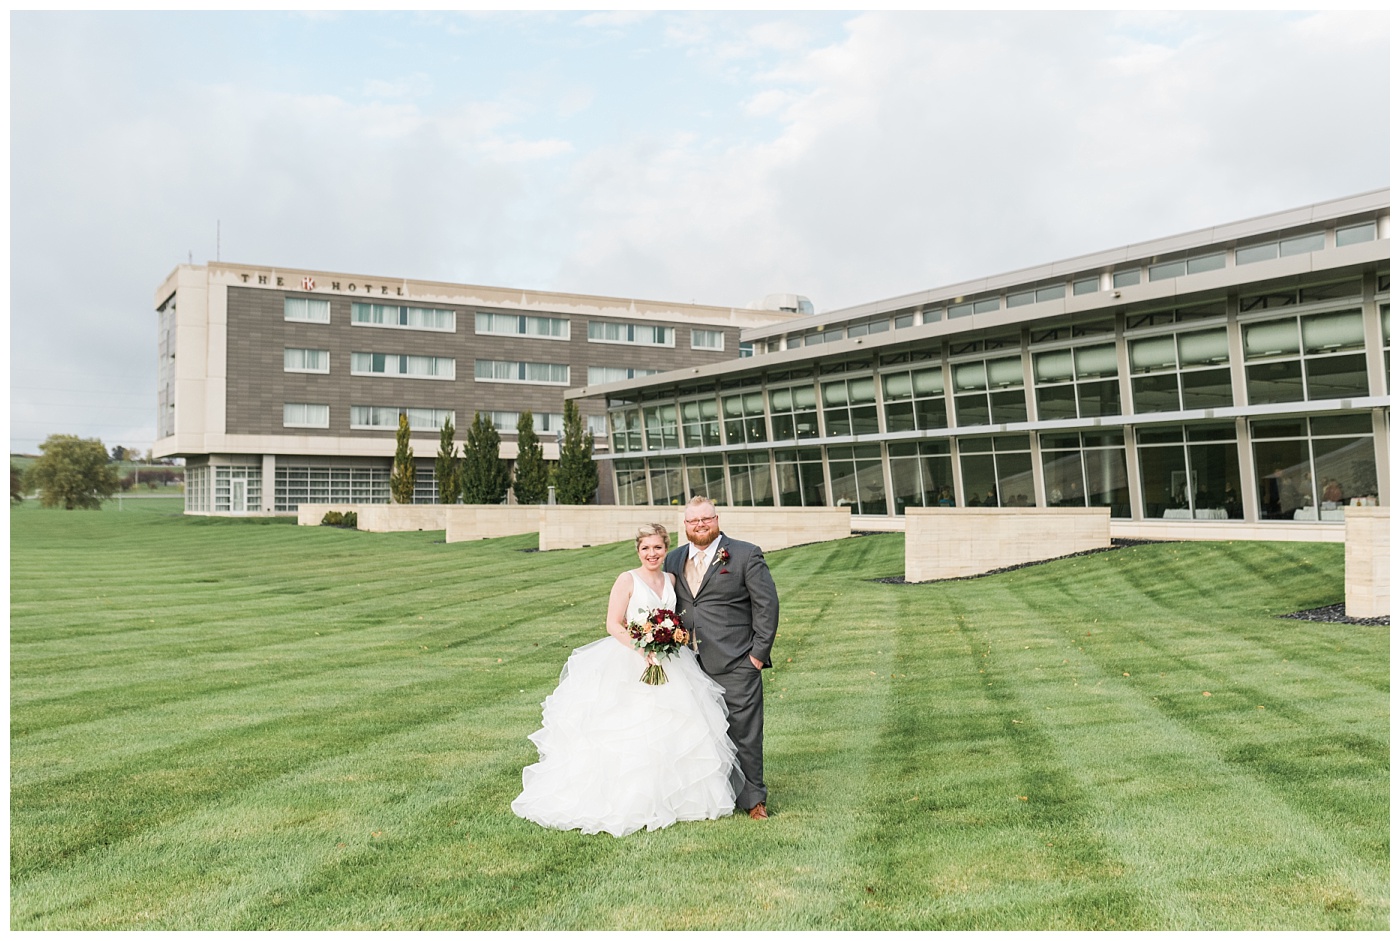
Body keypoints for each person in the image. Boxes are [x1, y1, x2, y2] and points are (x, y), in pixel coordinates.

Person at [511, 523, 743, 837]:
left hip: (671, 661)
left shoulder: (672, 579)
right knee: (631, 729)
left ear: (665, 549)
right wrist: (642, 647)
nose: (652, 554)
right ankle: (631, 800)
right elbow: (612, 623)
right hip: (630, 661)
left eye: (658, 548)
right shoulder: (627, 579)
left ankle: (677, 800)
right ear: (638, 550)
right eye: (646, 548)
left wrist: (671, 637)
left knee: (676, 726)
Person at [666, 496, 779, 820]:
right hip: (688, 664)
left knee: (744, 733)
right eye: (693, 521)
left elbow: (767, 607)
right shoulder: (673, 559)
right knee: (697, 735)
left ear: (717, 519)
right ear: (685, 525)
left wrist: (756, 657)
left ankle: (754, 800)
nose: (700, 525)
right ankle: (707, 797)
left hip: (736, 662)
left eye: (706, 519)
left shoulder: (745, 554)